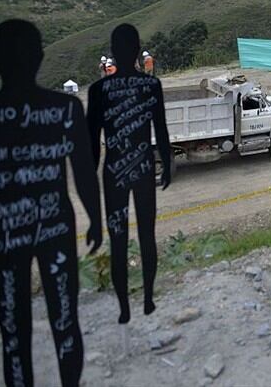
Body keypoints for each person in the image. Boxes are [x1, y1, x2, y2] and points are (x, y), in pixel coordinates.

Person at [0, 19, 103, 387]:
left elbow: (84, 171)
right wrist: (95, 220)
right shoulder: (64, 109)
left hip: (4, 235)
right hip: (54, 229)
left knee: (14, 337)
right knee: (65, 324)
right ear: (40, 57)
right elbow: (83, 173)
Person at [87, 24, 171, 324]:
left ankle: (125, 306)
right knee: (147, 236)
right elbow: (160, 131)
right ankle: (147, 298)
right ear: (138, 51)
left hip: (114, 171)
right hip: (144, 167)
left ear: (112, 53)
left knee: (118, 239)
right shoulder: (151, 86)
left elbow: (91, 143)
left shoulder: (99, 91)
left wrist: (89, 179)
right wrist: (169, 165)